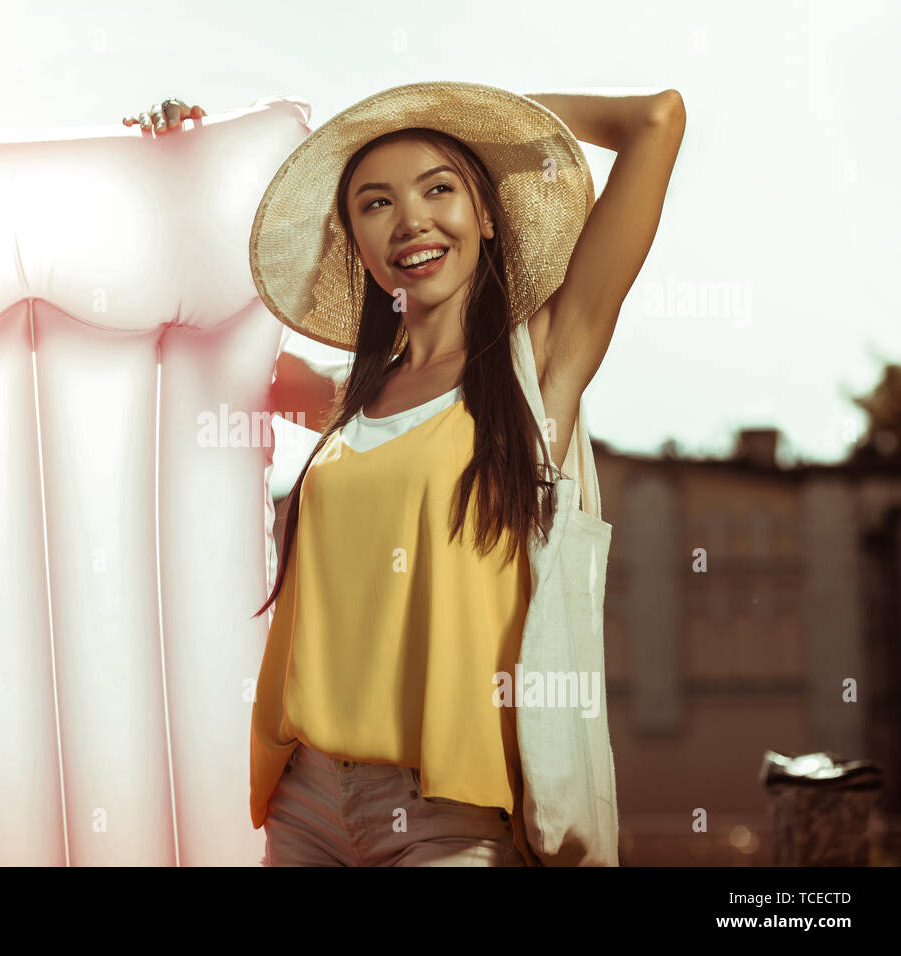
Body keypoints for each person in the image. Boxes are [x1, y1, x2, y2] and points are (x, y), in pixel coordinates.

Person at [127, 85, 686, 865]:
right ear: (355, 239)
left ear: (486, 215)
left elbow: (657, 120)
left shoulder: (538, 373)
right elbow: (191, 338)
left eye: (440, 187)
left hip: (448, 815)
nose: (411, 219)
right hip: (306, 802)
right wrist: (181, 171)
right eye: (375, 202)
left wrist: (487, 113)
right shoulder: (346, 402)